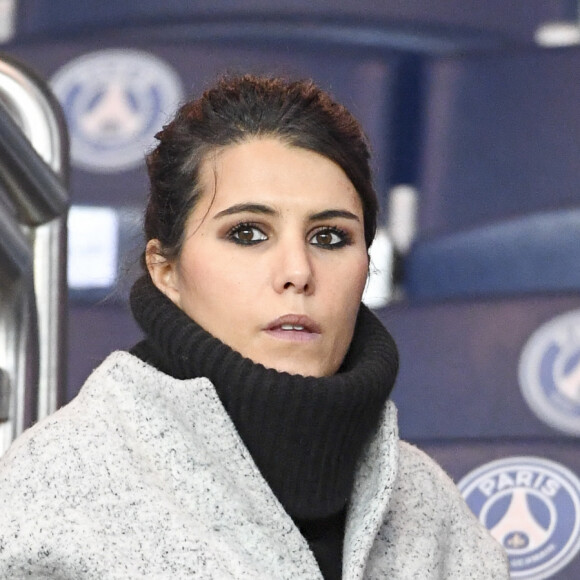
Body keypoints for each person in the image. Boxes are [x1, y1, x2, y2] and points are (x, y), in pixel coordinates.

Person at [0, 75, 509, 579]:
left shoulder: (428, 501)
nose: (297, 272)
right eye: (247, 233)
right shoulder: (51, 490)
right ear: (166, 271)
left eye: (330, 237)